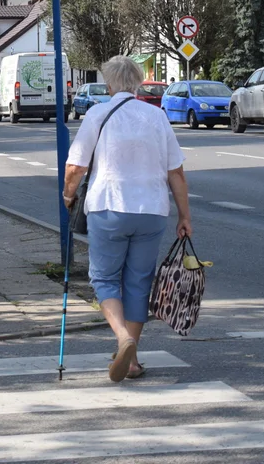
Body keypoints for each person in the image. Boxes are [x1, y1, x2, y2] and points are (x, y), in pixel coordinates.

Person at [62, 55, 192, 383]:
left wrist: (67, 196)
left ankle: (122, 338)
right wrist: (184, 216)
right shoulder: (156, 116)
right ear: (137, 83)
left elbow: (76, 167)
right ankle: (132, 362)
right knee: (139, 282)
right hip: (151, 211)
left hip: (109, 207)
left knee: (105, 278)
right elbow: (176, 171)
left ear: (109, 84)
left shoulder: (97, 113)